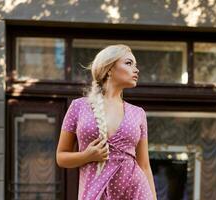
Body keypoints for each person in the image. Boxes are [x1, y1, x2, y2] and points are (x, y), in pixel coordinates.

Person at [56, 44, 157, 200]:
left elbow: (144, 165)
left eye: (135, 65)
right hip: (94, 193)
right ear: (109, 68)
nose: (136, 70)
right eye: (129, 63)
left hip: (136, 192)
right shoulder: (79, 107)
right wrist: (86, 156)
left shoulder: (138, 113)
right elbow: (61, 157)